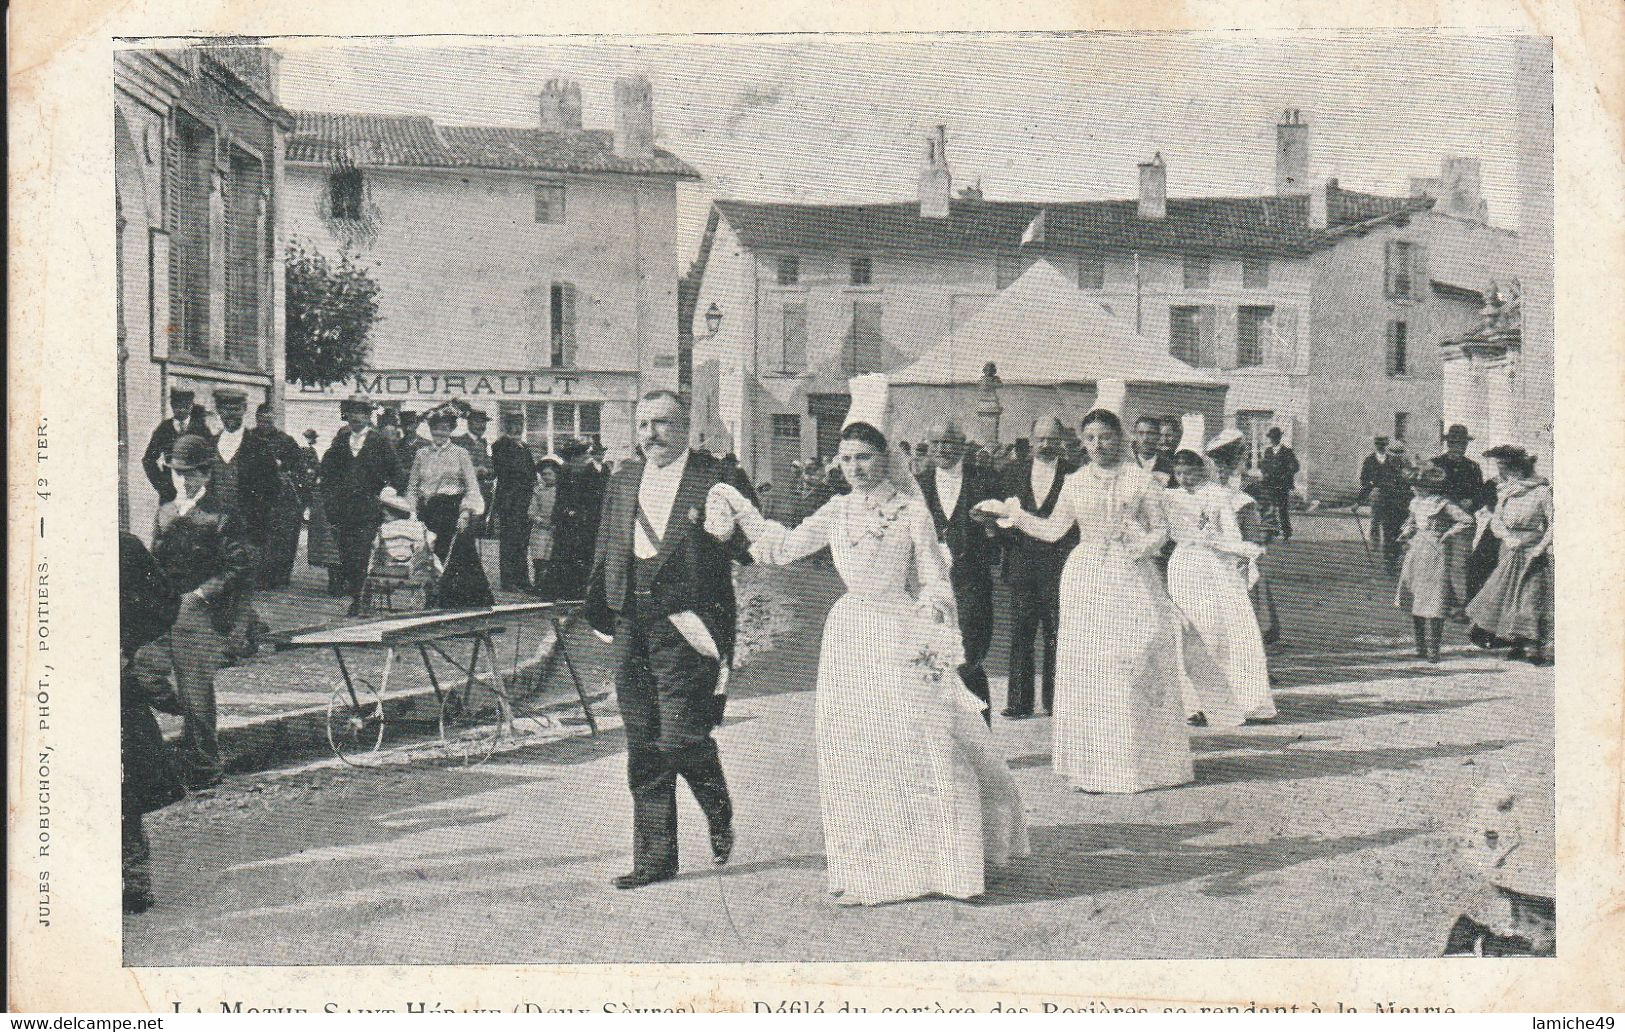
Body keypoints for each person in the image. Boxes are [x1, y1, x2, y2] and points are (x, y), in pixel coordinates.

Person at [712, 375, 1029, 905]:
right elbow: (783, 547)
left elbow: (932, 574)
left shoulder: (910, 510)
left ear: (885, 458)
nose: (855, 468)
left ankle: (941, 863)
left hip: (900, 632)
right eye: (847, 458)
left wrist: (935, 622)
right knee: (858, 748)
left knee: (916, 740)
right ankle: (874, 867)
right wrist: (740, 507)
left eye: (865, 457)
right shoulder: (836, 511)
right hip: (850, 635)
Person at [582, 391, 754, 889]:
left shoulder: (717, 478)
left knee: (681, 737)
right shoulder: (623, 480)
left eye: (661, 424)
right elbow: (607, 545)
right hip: (632, 621)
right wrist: (600, 606)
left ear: (685, 428)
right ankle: (655, 859)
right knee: (643, 743)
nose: (650, 435)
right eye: (642, 425)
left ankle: (717, 807)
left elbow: (750, 544)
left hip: (688, 624)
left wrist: (730, 533)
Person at [981, 409, 1196, 793]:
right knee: (1092, 666)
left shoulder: (1140, 480)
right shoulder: (1075, 481)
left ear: (1121, 438)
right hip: (1086, 576)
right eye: (1091, 438)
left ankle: (1141, 763)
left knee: (1133, 658)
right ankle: (1096, 764)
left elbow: (1163, 529)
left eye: (1106, 437)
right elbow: (1053, 530)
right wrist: (1013, 516)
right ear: (1082, 442)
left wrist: (1142, 546)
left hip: (1130, 576)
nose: (1098, 445)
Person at [150, 435, 258, 790]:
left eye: (191, 474)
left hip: (199, 614)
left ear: (206, 475)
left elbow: (238, 566)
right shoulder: (165, 510)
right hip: (164, 608)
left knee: (195, 687)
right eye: (178, 473)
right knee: (142, 671)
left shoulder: (221, 515)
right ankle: (188, 736)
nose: (183, 480)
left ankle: (204, 765)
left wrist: (199, 595)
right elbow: (156, 561)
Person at [1165, 449, 1274, 724]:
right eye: (1178, 473)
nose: (1183, 479)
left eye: (1189, 472)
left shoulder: (1218, 495)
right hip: (1184, 568)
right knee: (1188, 632)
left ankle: (1231, 700)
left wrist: (1239, 550)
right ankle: (1192, 703)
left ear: (1201, 470)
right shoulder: (1170, 497)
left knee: (1217, 631)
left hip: (1214, 568)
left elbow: (1231, 534)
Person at [916, 420, 1002, 720]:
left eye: (949, 443)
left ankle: (982, 739)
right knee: (933, 660)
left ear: (963, 445)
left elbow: (1005, 533)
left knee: (969, 660)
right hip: (930, 587)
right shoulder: (918, 485)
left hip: (972, 584)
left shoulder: (985, 480)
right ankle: (945, 735)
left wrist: (991, 528)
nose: (942, 450)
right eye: (936, 444)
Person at [120, 532, 184, 914]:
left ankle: (133, 878)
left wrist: (127, 644)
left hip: (112, 678)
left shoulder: (124, 548)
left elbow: (164, 601)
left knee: (121, 780)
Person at [998, 415, 1076, 718]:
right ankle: (1019, 702)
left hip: (1059, 567)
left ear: (1062, 442)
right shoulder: (1011, 472)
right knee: (1021, 633)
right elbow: (999, 515)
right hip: (1023, 566)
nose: (1046, 445)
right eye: (1040, 439)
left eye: (1052, 440)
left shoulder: (1074, 475)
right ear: (1031, 440)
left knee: (1058, 634)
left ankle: (1057, 701)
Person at [1465, 445, 1553, 664]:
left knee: (1530, 597)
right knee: (1508, 595)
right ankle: (1515, 642)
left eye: (1510, 470)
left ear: (1521, 469)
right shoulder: (1505, 492)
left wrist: (1540, 547)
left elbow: (1554, 523)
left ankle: (1533, 646)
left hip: (1533, 551)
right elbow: (1497, 521)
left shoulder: (1542, 492)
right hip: (1510, 549)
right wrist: (1506, 537)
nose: (1506, 474)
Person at [319, 395, 402, 616]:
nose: (356, 418)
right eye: (352, 413)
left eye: (362, 413)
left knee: (363, 553)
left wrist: (386, 493)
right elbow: (326, 473)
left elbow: (396, 473)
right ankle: (357, 594)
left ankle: (362, 599)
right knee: (346, 555)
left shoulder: (379, 442)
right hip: (344, 510)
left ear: (368, 416)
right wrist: (331, 500)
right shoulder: (340, 442)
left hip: (368, 509)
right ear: (347, 416)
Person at [1209, 430, 1281, 649]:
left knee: (1251, 605)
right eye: (1218, 461)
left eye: (1232, 457)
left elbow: (1270, 519)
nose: (1223, 468)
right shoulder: (1210, 485)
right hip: (1217, 554)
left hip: (1246, 554)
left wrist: (1258, 541)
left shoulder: (1253, 486)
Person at [1395, 465, 1475, 663]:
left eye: (1416, 485)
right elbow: (1411, 522)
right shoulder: (1415, 503)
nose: (1413, 488)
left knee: (1435, 598)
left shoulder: (1443, 503)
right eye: (1412, 485)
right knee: (1415, 597)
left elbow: (1467, 520)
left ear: (1426, 486)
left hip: (1436, 552)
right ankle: (1420, 646)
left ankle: (1434, 649)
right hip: (1416, 551)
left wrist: (1448, 533)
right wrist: (1406, 531)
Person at [407, 407, 487, 565]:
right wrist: (412, 512)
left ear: (451, 430)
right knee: (425, 555)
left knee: (450, 556)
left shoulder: (460, 453)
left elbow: (472, 487)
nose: (439, 433)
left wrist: (465, 512)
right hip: (426, 510)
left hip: (451, 511)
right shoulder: (421, 454)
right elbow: (412, 487)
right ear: (430, 430)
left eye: (444, 429)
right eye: (435, 428)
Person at [240, 403, 305, 589]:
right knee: (257, 536)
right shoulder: (248, 438)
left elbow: (298, 467)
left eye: (268, 421)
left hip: (280, 498)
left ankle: (280, 576)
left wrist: (284, 471)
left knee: (282, 538)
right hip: (254, 495)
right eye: (261, 421)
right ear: (256, 419)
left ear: (274, 420)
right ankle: (259, 577)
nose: (264, 424)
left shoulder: (286, 441)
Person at [1429, 424, 1485, 615]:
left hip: (1464, 522)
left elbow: (1481, 494)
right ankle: (1443, 601)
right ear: (1448, 444)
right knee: (1439, 561)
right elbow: (1425, 491)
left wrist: (1473, 502)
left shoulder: (1473, 467)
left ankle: (1463, 605)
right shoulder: (1435, 465)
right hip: (1440, 520)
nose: (1459, 447)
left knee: (1460, 563)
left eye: (1462, 444)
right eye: (1454, 443)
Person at [543, 437, 603, 601]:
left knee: (575, 556)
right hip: (574, 522)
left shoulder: (593, 470)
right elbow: (562, 498)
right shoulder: (571, 470)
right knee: (569, 556)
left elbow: (596, 499)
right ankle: (567, 592)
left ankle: (573, 592)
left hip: (581, 522)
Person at [491, 410, 538, 591]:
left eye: (520, 424)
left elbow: (531, 471)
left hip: (524, 500)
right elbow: (507, 471)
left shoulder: (524, 447)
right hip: (510, 501)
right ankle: (508, 580)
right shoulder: (501, 445)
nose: (518, 428)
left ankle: (522, 579)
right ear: (506, 426)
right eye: (514, 424)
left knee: (522, 541)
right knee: (509, 540)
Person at [1359, 436, 1412, 571]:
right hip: (1387, 505)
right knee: (1388, 533)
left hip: (1403, 506)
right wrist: (1360, 500)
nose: (1396, 456)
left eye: (1399, 453)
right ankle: (1389, 562)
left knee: (1400, 533)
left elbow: (1412, 485)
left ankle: (1395, 558)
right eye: (1394, 453)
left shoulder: (1407, 467)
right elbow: (1371, 482)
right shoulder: (1382, 466)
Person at [141, 387, 199, 504]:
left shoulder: (200, 428)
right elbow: (148, 460)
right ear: (172, 405)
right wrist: (163, 487)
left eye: (186, 406)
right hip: (171, 491)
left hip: (197, 492)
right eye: (178, 406)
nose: (182, 410)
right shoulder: (164, 429)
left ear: (192, 405)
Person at [454, 409, 496, 527]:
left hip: (483, 494)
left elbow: (492, 468)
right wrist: (474, 471)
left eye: (483, 423)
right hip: (464, 494)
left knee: (479, 530)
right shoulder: (459, 442)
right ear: (469, 423)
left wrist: (487, 470)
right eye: (477, 422)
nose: (481, 426)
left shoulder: (484, 443)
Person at [1259, 427, 1300, 543]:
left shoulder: (1287, 451)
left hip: (1282, 485)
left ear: (1279, 438)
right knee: (1269, 508)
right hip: (1270, 484)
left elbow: (1295, 467)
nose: (1273, 440)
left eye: (1275, 437)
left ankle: (1286, 533)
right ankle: (1272, 531)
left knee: (1282, 509)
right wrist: (1265, 473)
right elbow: (1263, 465)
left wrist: (1286, 474)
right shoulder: (1267, 451)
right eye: (1271, 438)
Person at [528, 456, 561, 591]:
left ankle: (549, 586)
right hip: (540, 529)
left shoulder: (561, 491)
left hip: (555, 528)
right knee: (538, 558)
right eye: (543, 474)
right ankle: (538, 585)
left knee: (551, 558)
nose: (546, 477)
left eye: (549, 474)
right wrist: (540, 520)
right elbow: (531, 511)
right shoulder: (538, 491)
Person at [1131, 415, 1177, 486]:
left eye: (1150, 433)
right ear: (1135, 436)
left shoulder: (1169, 468)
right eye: (1140, 433)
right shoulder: (1128, 462)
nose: (1145, 438)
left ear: (1158, 436)